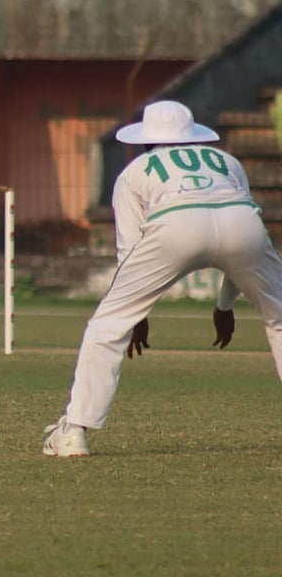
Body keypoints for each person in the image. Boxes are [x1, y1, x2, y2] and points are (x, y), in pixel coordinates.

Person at [43, 99, 282, 457]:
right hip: (242, 225)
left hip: (176, 224)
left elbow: (129, 249)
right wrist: (224, 306)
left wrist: (135, 314)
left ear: (146, 140)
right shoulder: (227, 161)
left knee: (106, 326)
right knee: (279, 317)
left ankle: (74, 431)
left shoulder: (135, 172)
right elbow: (240, 238)